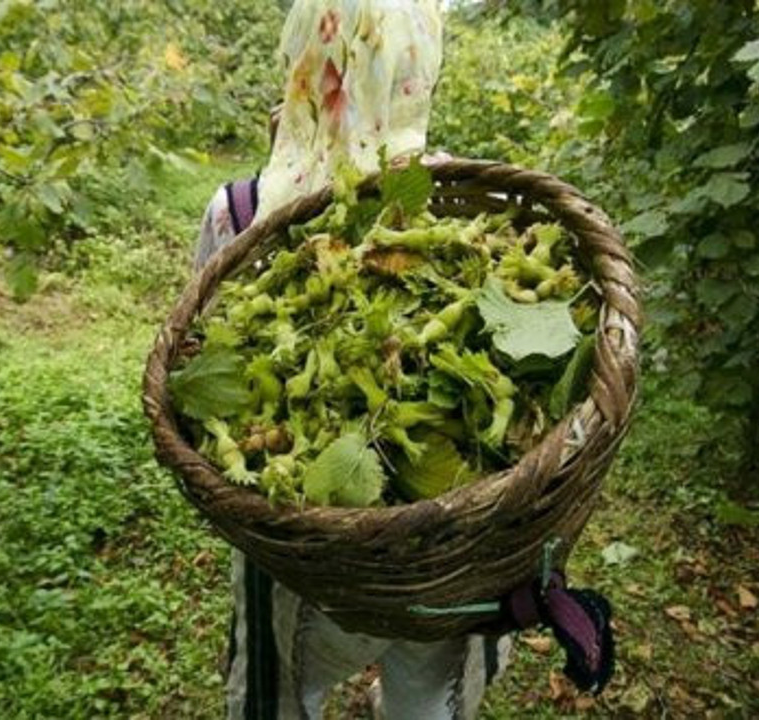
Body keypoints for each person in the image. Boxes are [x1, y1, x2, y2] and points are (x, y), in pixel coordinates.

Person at [191, 3, 514, 718]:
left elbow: (198, 367)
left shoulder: (238, 212)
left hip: (308, 562)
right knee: (424, 705)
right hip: (444, 555)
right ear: (419, 73)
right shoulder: (458, 201)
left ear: (300, 64)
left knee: (290, 691)